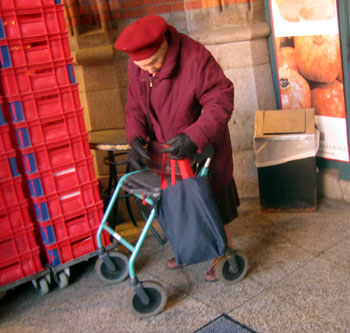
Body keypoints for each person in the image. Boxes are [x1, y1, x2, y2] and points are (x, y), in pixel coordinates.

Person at [114, 15, 240, 282]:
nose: (147, 70)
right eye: (141, 66)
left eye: (152, 63)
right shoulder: (137, 66)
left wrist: (194, 137)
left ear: (164, 45)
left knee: (213, 200)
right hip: (165, 150)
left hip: (201, 146)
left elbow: (221, 99)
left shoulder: (194, 56)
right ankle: (186, 248)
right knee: (174, 202)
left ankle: (223, 251)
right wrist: (135, 138)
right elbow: (135, 105)